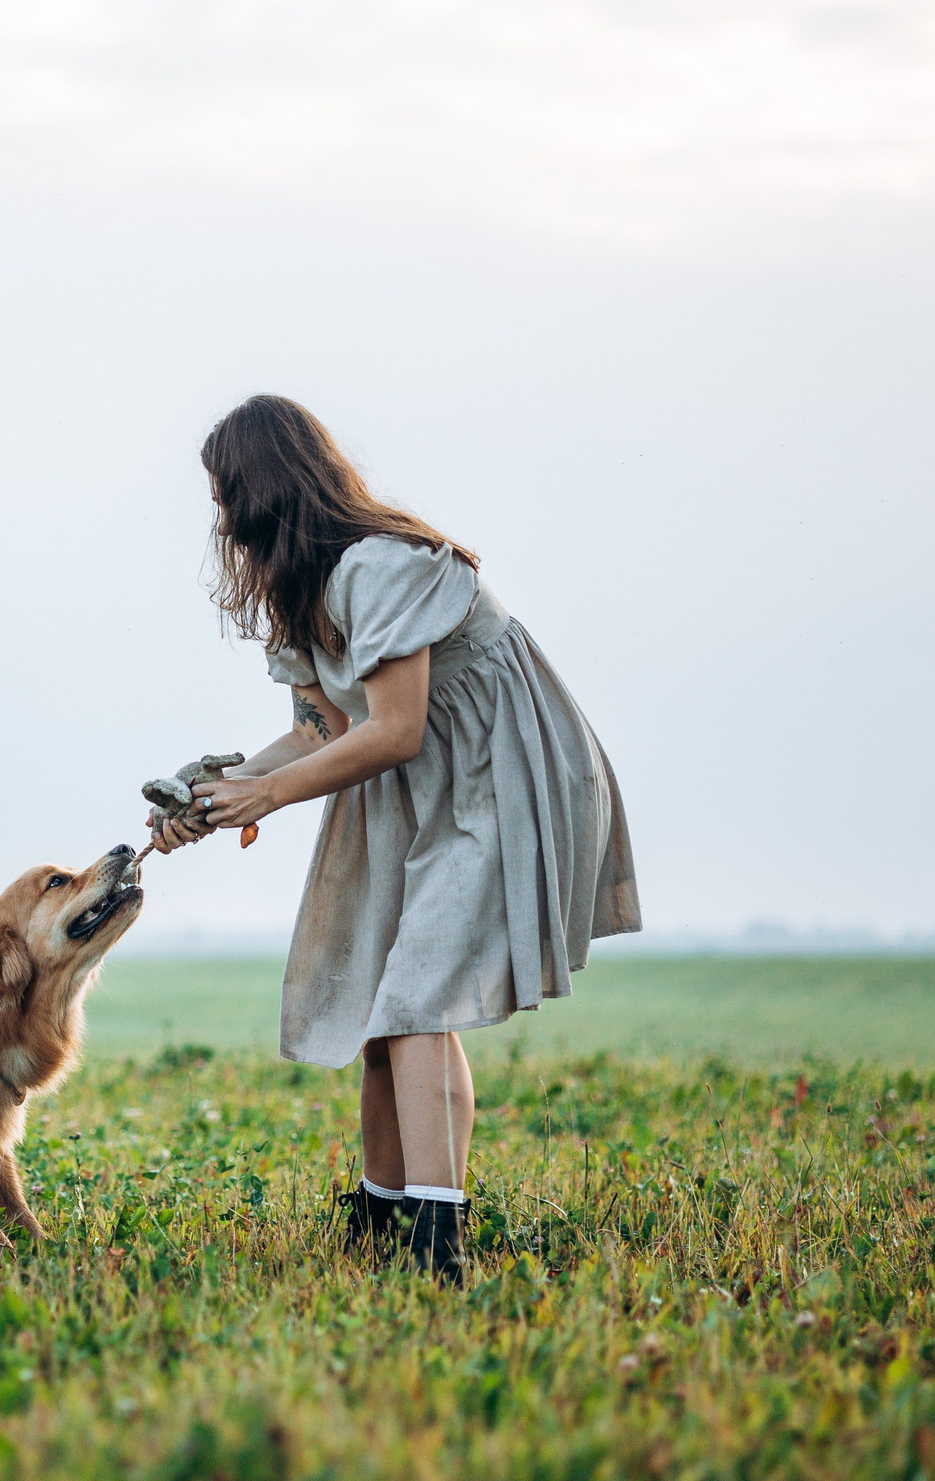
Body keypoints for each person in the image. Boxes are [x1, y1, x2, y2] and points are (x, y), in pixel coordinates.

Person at [150, 395, 640, 1280]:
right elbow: (319, 732)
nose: (219, 519)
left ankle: (436, 1247)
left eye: (225, 496)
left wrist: (265, 795)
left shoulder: (379, 567)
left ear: (266, 490)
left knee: (416, 1004)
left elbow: (396, 729)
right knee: (385, 1011)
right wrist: (217, 792)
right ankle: (383, 1221)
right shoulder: (303, 595)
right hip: (431, 789)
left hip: (501, 773)